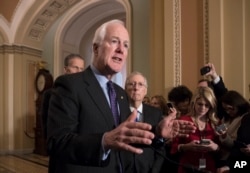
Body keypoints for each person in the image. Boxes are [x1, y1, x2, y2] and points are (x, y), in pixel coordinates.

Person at [47, 19, 196, 173]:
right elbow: (57, 142)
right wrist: (105, 141)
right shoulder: (69, 85)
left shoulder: (120, 93)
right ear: (96, 48)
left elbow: (126, 136)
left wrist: (157, 131)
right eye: (114, 41)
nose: (121, 50)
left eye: (125, 45)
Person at [125, 71, 170, 173]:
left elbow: (160, 148)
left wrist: (154, 170)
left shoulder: (155, 113)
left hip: (147, 168)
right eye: (131, 84)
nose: (136, 88)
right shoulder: (117, 111)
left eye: (140, 84)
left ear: (145, 91)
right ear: (125, 89)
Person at [171, 87, 220, 173]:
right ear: (194, 103)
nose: (203, 108)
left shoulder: (215, 122)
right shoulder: (183, 121)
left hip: (209, 167)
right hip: (187, 167)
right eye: (200, 104)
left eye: (207, 105)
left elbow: (223, 149)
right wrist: (186, 147)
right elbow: (173, 147)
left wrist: (215, 147)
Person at [41, 53, 84, 139]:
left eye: (81, 68)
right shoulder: (50, 94)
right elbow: (46, 125)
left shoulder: (85, 93)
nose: (79, 71)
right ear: (65, 69)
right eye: (75, 67)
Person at [216, 90, 250, 173]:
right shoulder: (225, 118)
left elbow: (234, 144)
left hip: (235, 159)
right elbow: (218, 134)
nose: (228, 112)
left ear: (238, 104)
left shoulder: (245, 118)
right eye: (225, 109)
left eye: (230, 109)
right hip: (221, 156)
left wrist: (224, 136)